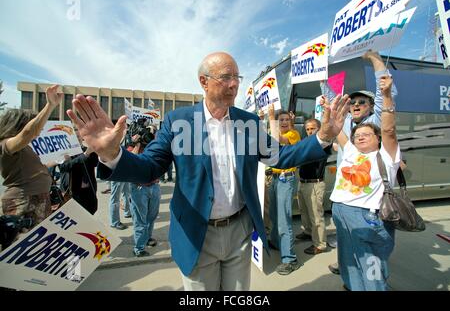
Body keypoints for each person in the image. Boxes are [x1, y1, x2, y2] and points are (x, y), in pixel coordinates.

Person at [67, 52, 350, 291]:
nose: (234, 85)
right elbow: (151, 167)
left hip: (240, 231)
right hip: (196, 232)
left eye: (236, 78)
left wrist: (322, 137)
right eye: (226, 77)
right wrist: (112, 154)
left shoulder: (248, 122)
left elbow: (281, 156)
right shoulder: (178, 121)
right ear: (204, 81)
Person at [321, 50, 397, 275]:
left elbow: (385, 95)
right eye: (352, 102)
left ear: (371, 107)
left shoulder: (375, 122)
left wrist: (374, 59)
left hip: (368, 200)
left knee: (370, 251)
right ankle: (346, 267)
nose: (355, 105)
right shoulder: (345, 125)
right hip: (344, 196)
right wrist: (321, 74)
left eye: (361, 102)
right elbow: (333, 102)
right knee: (345, 237)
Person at [0, 85, 63, 237]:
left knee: (39, 243)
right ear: (18, 126)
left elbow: (32, 168)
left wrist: (54, 163)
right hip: (23, 200)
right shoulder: (6, 145)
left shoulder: (25, 148)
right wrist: (50, 105)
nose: (41, 129)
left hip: (39, 198)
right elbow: (29, 132)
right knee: (23, 245)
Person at [267, 106, 302, 275]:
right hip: (275, 178)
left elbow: (276, 139)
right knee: (274, 214)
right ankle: (275, 242)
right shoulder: (281, 132)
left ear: (291, 122)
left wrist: (271, 118)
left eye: (286, 119)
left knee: (283, 220)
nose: (284, 122)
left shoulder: (293, 134)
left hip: (286, 179)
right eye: (280, 120)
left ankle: (290, 259)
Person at [297, 118, 331, 255]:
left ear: (319, 128)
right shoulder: (306, 142)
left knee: (316, 216)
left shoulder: (323, 144)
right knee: (304, 211)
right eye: (308, 129)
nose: (310, 131)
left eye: (313, 128)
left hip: (315, 184)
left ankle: (320, 245)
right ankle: (307, 232)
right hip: (303, 182)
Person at [129, 131, 161, 257]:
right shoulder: (133, 148)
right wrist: (136, 145)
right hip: (139, 188)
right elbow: (131, 161)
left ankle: (147, 238)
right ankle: (139, 248)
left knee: (151, 216)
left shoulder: (154, 149)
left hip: (154, 186)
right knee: (140, 219)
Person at [58, 129, 99, 215]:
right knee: (76, 216)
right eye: (76, 137)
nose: (79, 138)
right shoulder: (65, 152)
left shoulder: (85, 149)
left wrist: (95, 151)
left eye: (80, 136)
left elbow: (95, 163)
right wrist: (85, 155)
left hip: (88, 190)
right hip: (73, 191)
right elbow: (64, 167)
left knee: (89, 214)